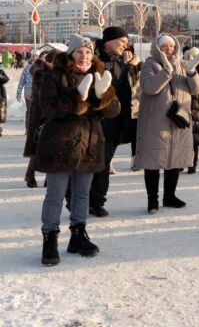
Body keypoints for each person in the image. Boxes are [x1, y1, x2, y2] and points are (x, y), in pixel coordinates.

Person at [37, 34, 120, 266]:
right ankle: (50, 239)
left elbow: (113, 111)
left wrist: (103, 96)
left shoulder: (100, 76)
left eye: (88, 51)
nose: (84, 55)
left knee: (82, 194)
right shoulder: (55, 75)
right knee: (55, 195)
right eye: (79, 51)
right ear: (70, 54)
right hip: (60, 142)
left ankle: (78, 235)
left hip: (90, 141)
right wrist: (78, 98)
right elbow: (48, 107)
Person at [135, 34, 199, 214]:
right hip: (156, 122)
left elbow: (198, 89)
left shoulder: (182, 64)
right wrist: (166, 71)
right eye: (164, 46)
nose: (168, 49)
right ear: (157, 48)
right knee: (153, 162)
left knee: (175, 159)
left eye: (171, 46)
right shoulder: (149, 65)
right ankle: (153, 200)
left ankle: (170, 196)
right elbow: (150, 88)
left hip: (179, 120)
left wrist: (191, 72)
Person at [86, 26, 136, 217]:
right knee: (90, 162)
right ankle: (82, 199)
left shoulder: (119, 62)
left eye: (126, 42)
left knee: (105, 163)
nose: (124, 46)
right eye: (121, 42)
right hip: (94, 120)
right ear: (108, 41)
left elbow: (124, 93)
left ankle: (97, 201)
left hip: (113, 122)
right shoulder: (92, 59)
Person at [23, 50, 56, 187]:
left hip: (45, 114)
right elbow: (43, 94)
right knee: (39, 148)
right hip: (42, 115)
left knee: (50, 147)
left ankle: (46, 177)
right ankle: (30, 176)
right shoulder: (43, 73)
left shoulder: (47, 72)